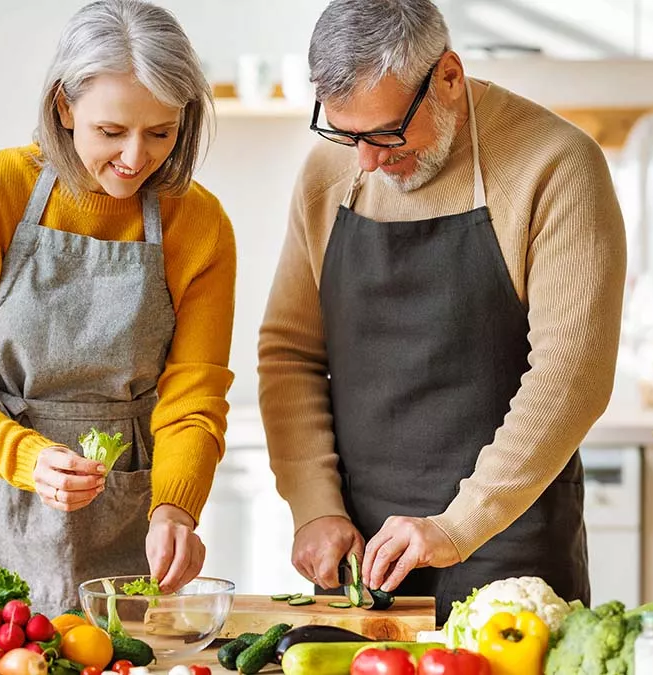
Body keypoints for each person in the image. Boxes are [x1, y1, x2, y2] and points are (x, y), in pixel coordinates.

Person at [257, 0, 627, 624]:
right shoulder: (331, 170)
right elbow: (290, 352)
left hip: (511, 546)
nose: (367, 161)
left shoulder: (556, 166)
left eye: (386, 134)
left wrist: (459, 525)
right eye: (348, 136)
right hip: (362, 559)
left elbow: (572, 376)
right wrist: (315, 508)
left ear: (449, 76)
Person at [0, 0, 236, 617]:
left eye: (160, 133)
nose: (136, 158)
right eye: (112, 132)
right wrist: (26, 456)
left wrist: (176, 508)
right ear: (64, 105)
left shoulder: (200, 224)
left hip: (120, 526)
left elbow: (194, 396)